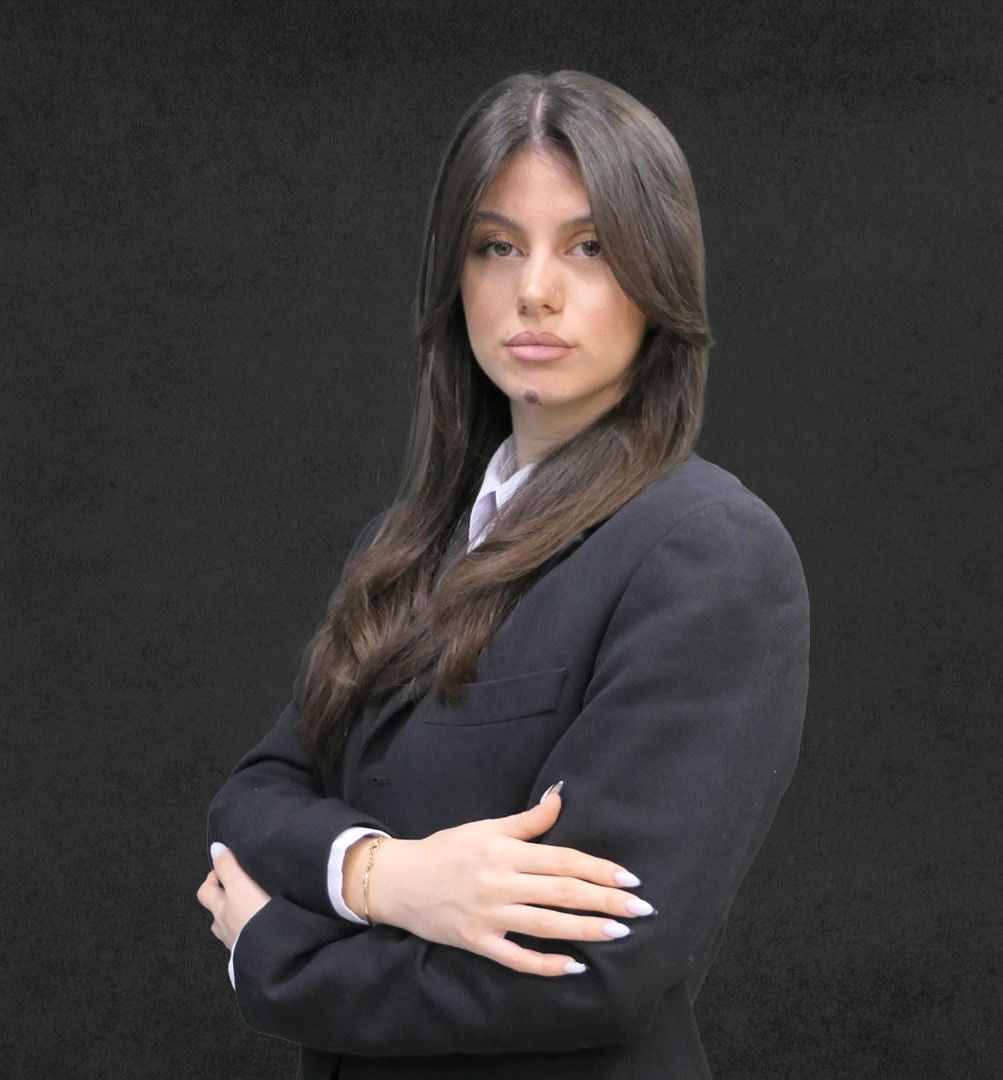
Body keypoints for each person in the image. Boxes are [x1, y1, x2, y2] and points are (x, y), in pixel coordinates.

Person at [197, 69, 810, 1080]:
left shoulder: (709, 554)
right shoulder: (404, 544)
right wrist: (388, 876)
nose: (535, 289)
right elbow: (255, 798)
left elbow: (588, 969)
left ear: (658, 275)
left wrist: (277, 958)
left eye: (589, 246)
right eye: (497, 246)